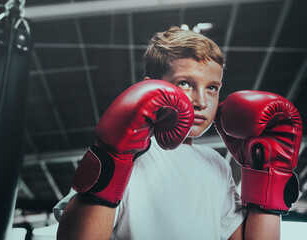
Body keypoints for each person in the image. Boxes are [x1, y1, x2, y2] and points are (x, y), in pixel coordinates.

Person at [53, 26, 301, 239]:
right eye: (185, 83)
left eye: (212, 87)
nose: (202, 101)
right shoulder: (130, 155)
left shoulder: (215, 164)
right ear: (151, 87)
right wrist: (112, 156)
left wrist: (268, 175)